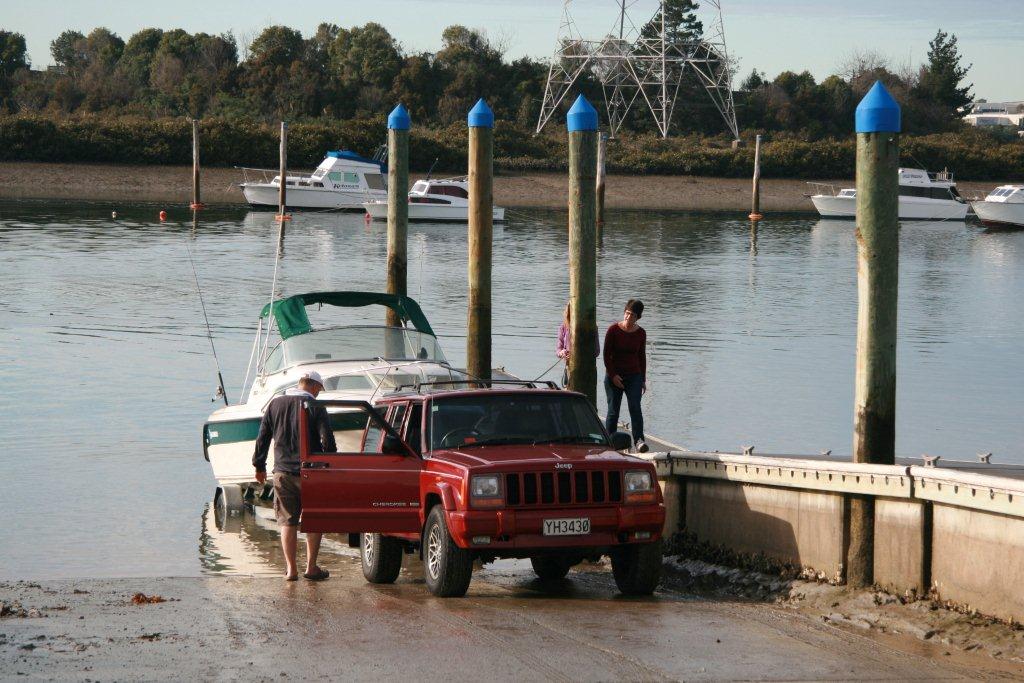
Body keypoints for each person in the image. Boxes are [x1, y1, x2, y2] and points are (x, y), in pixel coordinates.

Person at [253, 370, 336, 582]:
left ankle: (291, 570)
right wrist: (331, 463)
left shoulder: (275, 404)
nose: (318, 393)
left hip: (283, 472)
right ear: (314, 386)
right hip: (311, 473)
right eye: (319, 389)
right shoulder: (315, 406)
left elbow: (263, 437)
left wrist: (259, 465)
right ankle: (311, 567)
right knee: (314, 520)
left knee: (287, 521)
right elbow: (327, 440)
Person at [603, 299, 648, 453]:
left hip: (634, 376)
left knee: (635, 407)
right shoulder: (613, 330)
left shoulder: (641, 333)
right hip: (614, 375)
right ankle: (610, 440)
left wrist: (643, 379)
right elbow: (606, 356)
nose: (628, 317)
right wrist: (613, 375)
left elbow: (641, 357)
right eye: (627, 313)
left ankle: (639, 441)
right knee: (613, 410)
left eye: (632, 315)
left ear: (638, 317)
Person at [556, 302, 600, 388]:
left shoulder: (592, 327)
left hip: (588, 370)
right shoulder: (563, 327)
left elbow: (597, 351)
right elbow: (558, 349)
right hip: (570, 369)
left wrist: (582, 353)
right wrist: (562, 352)